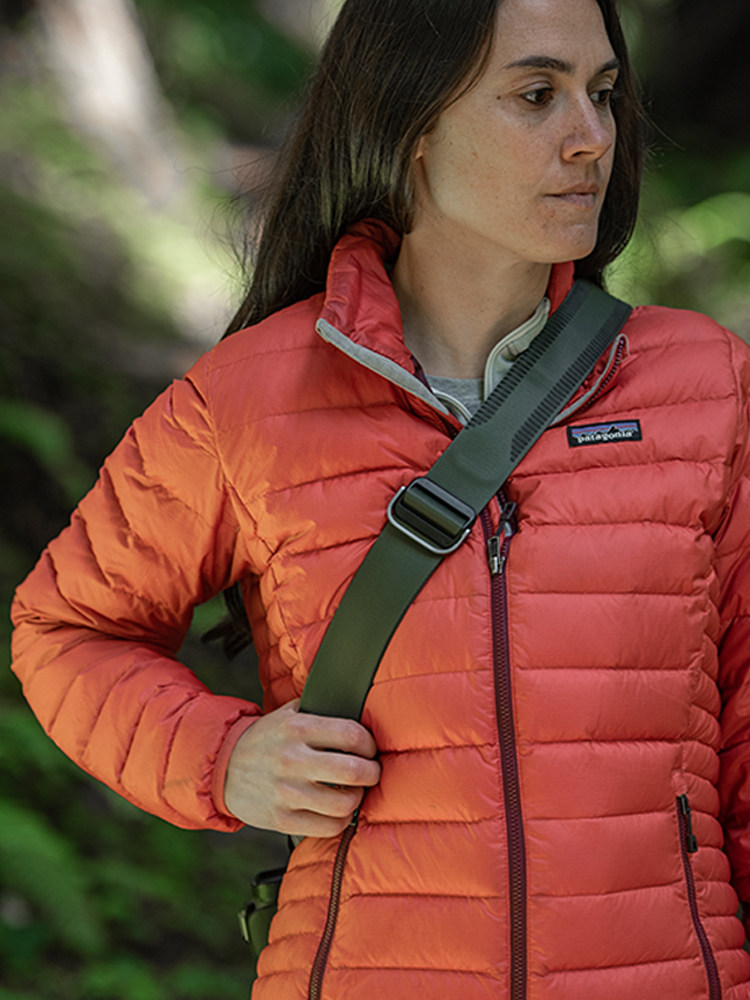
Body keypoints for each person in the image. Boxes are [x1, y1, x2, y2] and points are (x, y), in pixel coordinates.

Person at [10, 0, 750, 997]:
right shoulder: (249, 399)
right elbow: (65, 629)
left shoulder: (704, 387)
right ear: (410, 124)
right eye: (537, 94)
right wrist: (224, 758)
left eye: (603, 92)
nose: (591, 137)